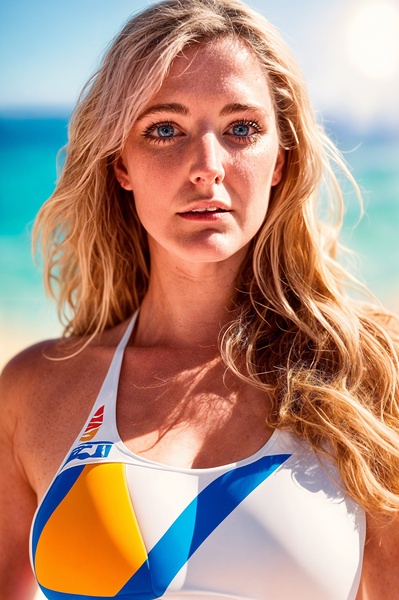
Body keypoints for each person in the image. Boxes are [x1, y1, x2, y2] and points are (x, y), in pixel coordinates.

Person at [1, 0, 398, 598]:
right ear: (121, 165)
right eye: (165, 129)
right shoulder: (35, 391)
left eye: (242, 128)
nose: (206, 167)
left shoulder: (365, 379)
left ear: (279, 163)